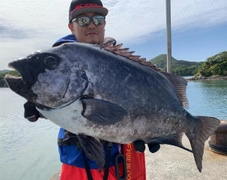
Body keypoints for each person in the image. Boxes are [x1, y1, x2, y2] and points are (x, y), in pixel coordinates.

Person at [24, 0, 160, 179]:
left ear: (104, 24)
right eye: (82, 20)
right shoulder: (56, 64)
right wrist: (41, 108)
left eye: (97, 19)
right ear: (71, 27)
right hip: (81, 163)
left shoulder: (123, 64)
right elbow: (69, 107)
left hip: (127, 153)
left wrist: (157, 124)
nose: (91, 25)